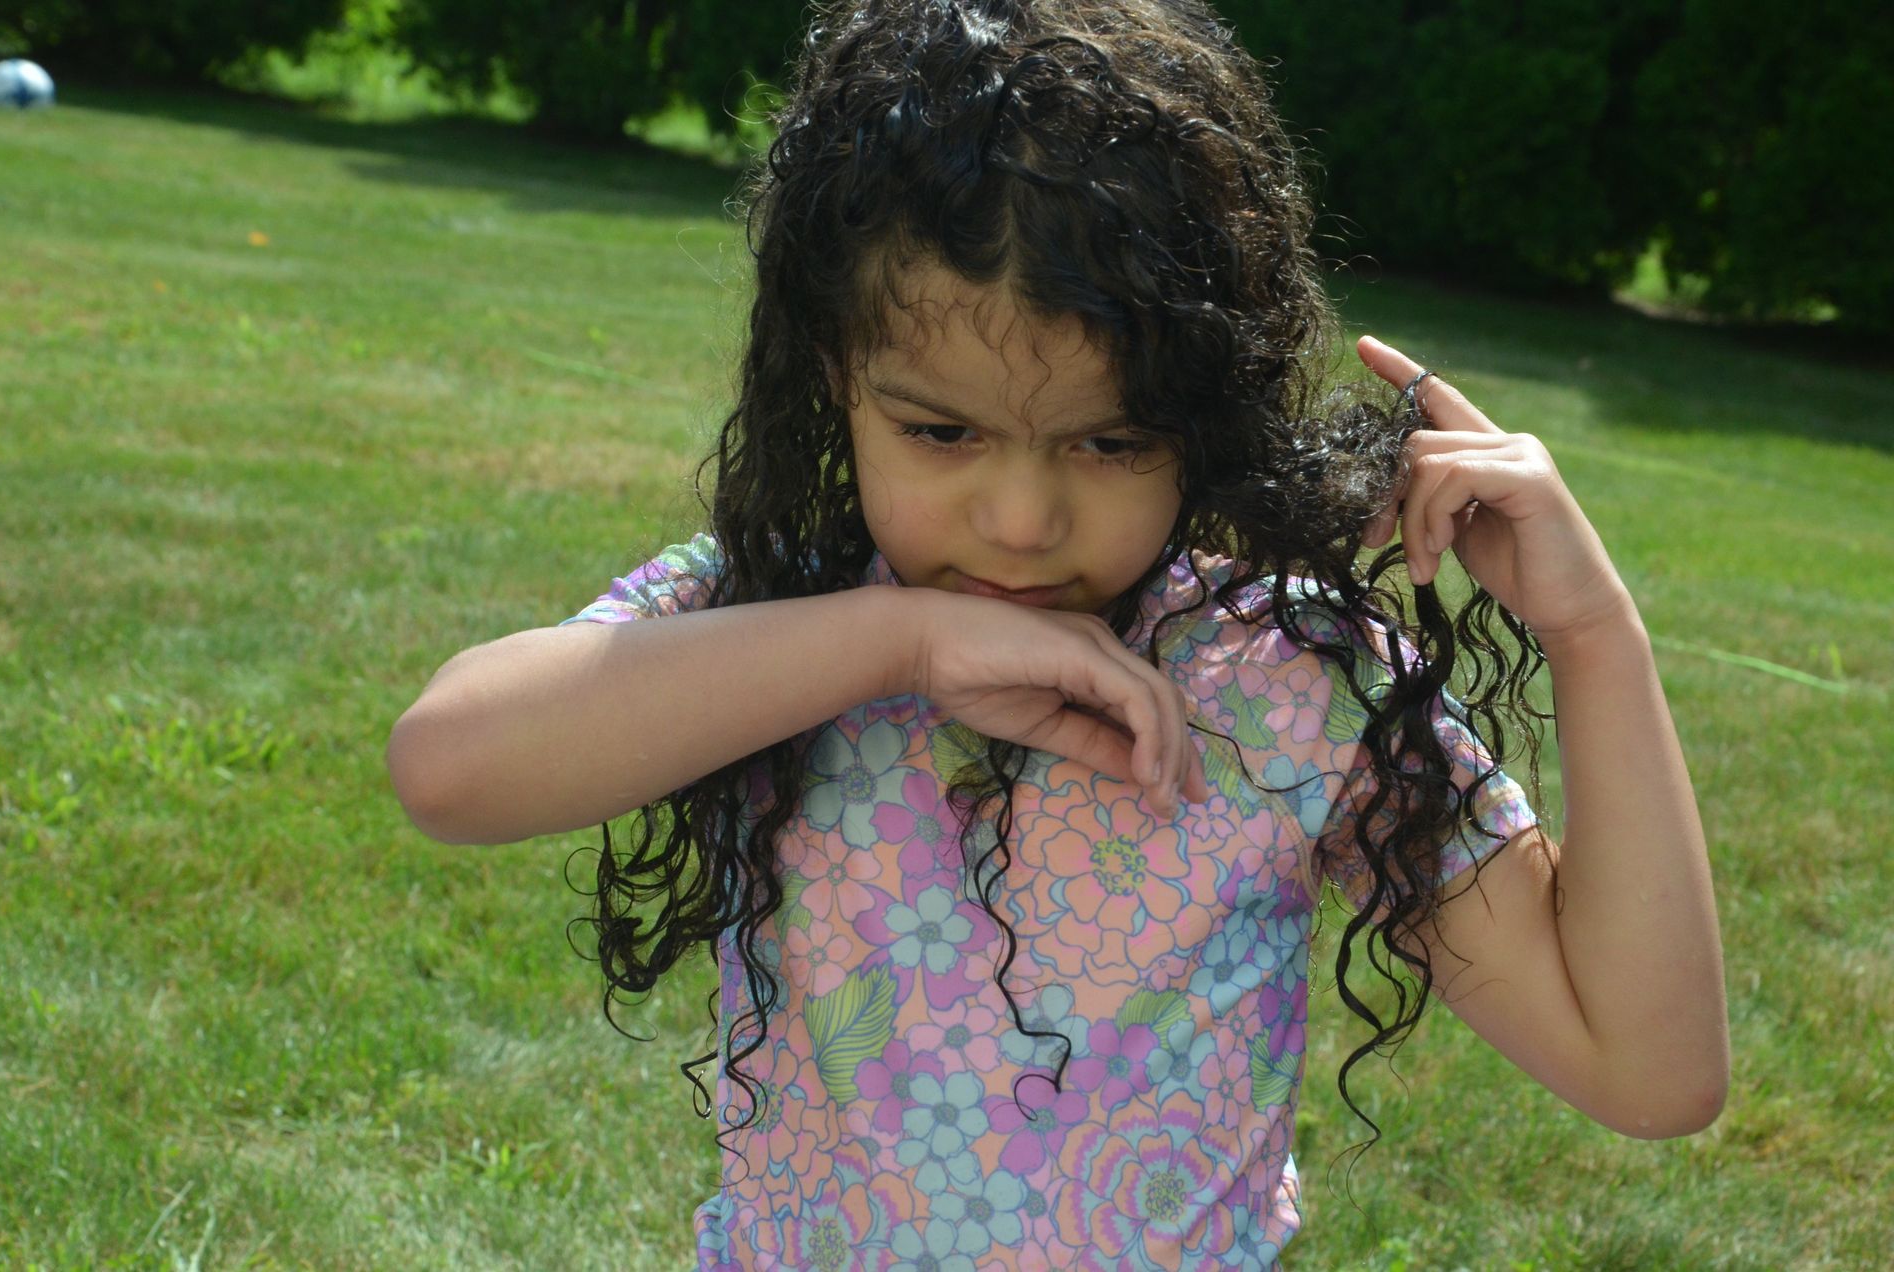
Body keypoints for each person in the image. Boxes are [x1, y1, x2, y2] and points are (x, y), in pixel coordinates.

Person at [385, 1, 1729, 1266]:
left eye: (1110, 441)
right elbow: (451, 765)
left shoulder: (1286, 683)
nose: (1021, 520)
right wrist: (894, 644)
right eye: (940, 431)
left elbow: (1649, 1069)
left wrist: (1595, 634)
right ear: (835, 377)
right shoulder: (780, 625)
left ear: (1206, 416)